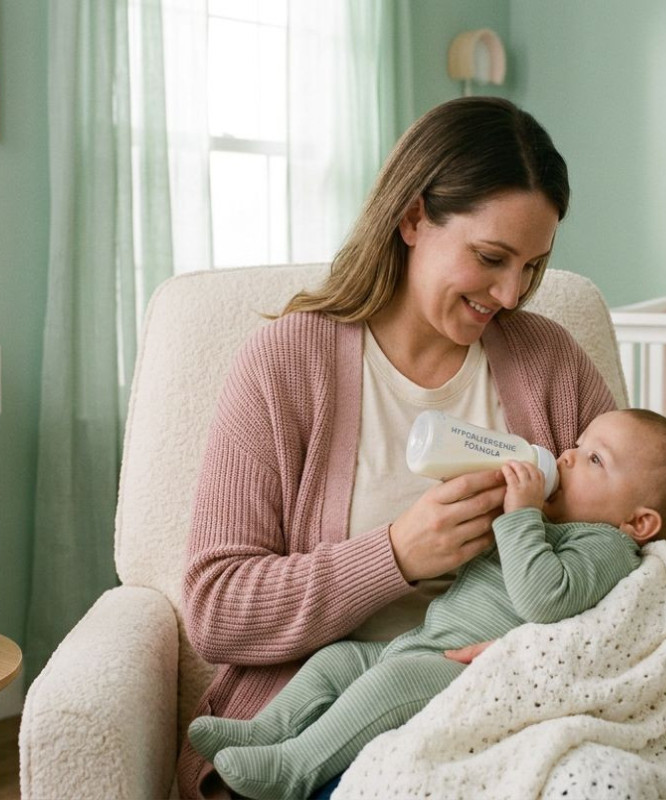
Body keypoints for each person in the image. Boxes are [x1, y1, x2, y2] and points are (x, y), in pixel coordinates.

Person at [179, 96, 613, 799]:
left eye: (532, 267)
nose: (511, 294)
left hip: (508, 714)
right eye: (491, 258)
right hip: (322, 730)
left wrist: (536, 654)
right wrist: (395, 555)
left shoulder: (549, 363)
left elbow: (653, 553)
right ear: (412, 219)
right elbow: (215, 609)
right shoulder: (286, 365)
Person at [187, 409, 666, 800]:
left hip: (465, 674)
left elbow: (545, 598)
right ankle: (267, 730)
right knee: (337, 660)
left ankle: (292, 769)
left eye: (595, 460)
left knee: (386, 686)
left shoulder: (605, 547)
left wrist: (521, 517)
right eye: (578, 444)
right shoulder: (553, 521)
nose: (567, 456)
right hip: (422, 641)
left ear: (638, 522)